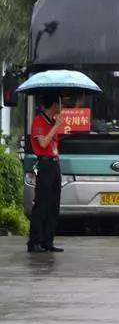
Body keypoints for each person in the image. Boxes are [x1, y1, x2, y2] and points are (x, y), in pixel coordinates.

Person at [27, 94, 66, 253]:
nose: (62, 106)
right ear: (54, 104)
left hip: (55, 164)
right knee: (42, 203)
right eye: (60, 102)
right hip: (45, 164)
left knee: (53, 205)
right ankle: (34, 241)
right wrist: (56, 126)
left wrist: (55, 125)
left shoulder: (51, 121)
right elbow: (43, 143)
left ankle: (47, 241)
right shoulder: (39, 121)